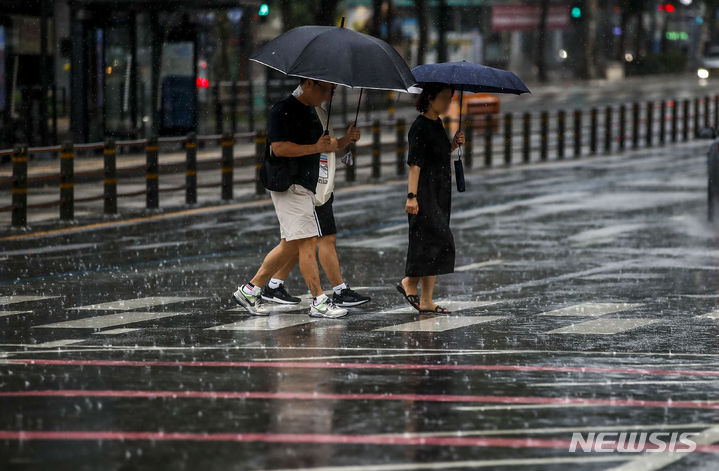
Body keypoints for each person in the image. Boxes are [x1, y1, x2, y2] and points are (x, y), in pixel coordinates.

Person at [232, 79, 358, 318]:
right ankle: (318, 300)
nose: (327, 96)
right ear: (309, 84)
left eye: (332, 92)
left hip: (306, 185)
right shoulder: (283, 110)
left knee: (289, 245)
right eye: (325, 90)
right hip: (289, 184)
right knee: (308, 242)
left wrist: (345, 140)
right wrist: (314, 147)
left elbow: (323, 146)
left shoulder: (312, 111)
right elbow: (280, 148)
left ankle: (250, 289)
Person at [261, 101, 371, 308]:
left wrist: (346, 139)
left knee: (296, 241)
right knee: (320, 239)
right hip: (312, 188)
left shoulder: (320, 110)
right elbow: (285, 148)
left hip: (321, 186)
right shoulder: (300, 111)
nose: (333, 90)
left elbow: (328, 146)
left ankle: (269, 285)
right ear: (311, 82)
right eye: (327, 86)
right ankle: (335, 291)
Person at [396, 82, 464, 314]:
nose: (448, 102)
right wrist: (412, 196)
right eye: (445, 97)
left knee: (433, 244)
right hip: (424, 193)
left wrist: (453, 144)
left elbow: (438, 155)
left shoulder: (437, 123)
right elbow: (415, 165)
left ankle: (426, 300)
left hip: (440, 192)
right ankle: (409, 281)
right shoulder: (420, 127)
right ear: (431, 98)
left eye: (450, 98)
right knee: (436, 240)